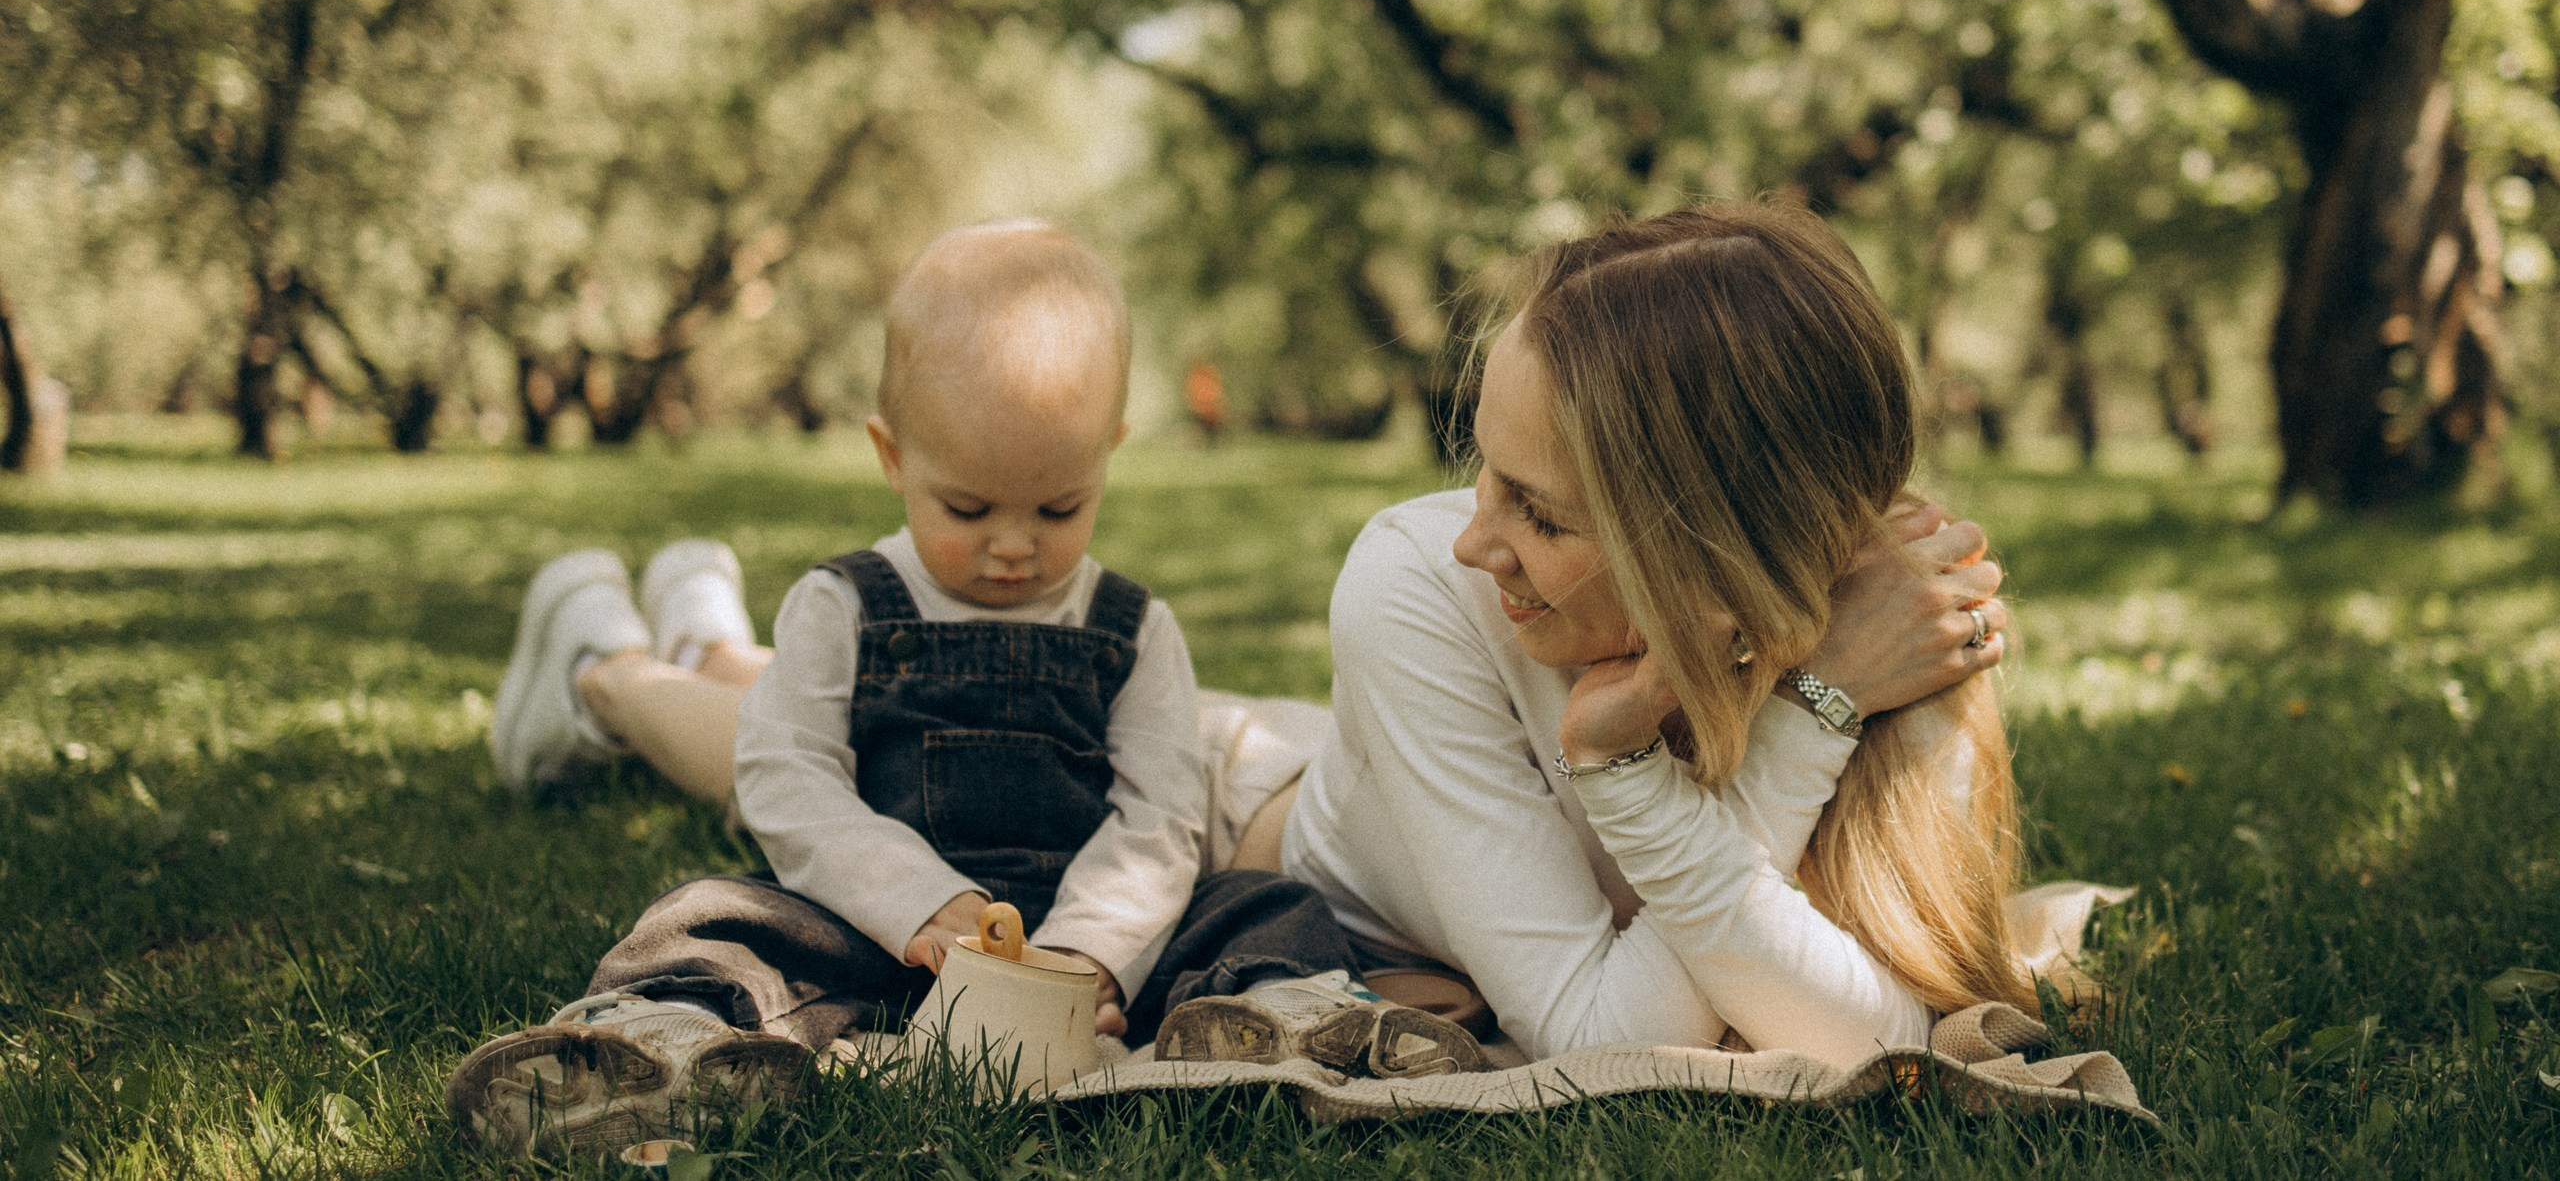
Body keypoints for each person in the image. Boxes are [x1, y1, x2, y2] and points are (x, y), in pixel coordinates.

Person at [449, 222, 1482, 1156]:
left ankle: (1290, 1021)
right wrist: (914, 900)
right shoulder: (842, 605)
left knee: (1262, 902)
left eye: (1059, 506)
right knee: (710, 912)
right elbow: (784, 775)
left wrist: (1093, 953)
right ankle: (658, 1045)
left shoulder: (1131, 630)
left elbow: (1161, 813)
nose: (1013, 545)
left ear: (1106, 460)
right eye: (969, 506)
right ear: (892, 457)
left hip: (1084, 954)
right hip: (877, 930)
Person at [1282, 201, 2026, 1067]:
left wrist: (1803, 706)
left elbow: (1888, 1038)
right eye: (1485, 468)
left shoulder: (1895, 612)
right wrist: (1816, 711)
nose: (1475, 542)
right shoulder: (1414, 585)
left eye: (1544, 517)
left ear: (1719, 555)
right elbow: (1601, 1043)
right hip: (1312, 854)